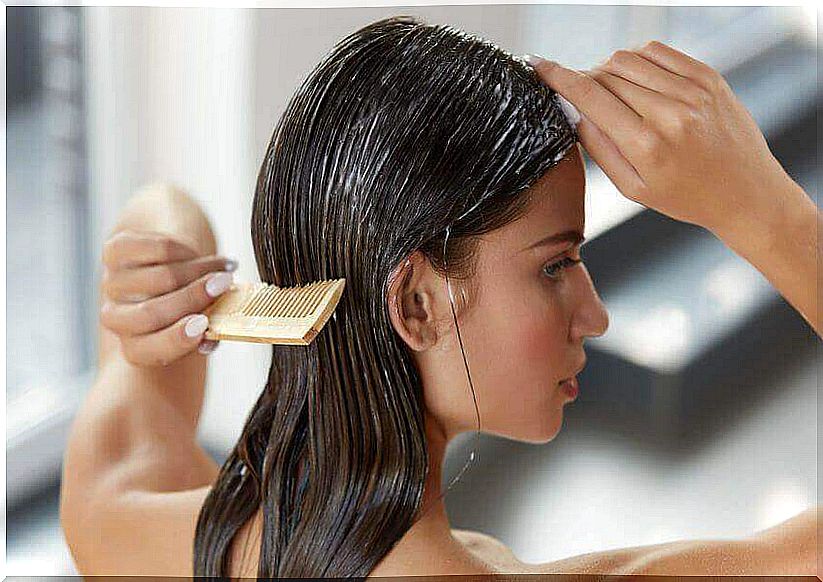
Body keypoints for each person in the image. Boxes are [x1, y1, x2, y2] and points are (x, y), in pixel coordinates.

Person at [59, 15, 820, 577]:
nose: (593, 313)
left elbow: (162, 209)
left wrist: (159, 289)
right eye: (554, 267)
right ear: (415, 304)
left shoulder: (169, 539)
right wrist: (758, 203)